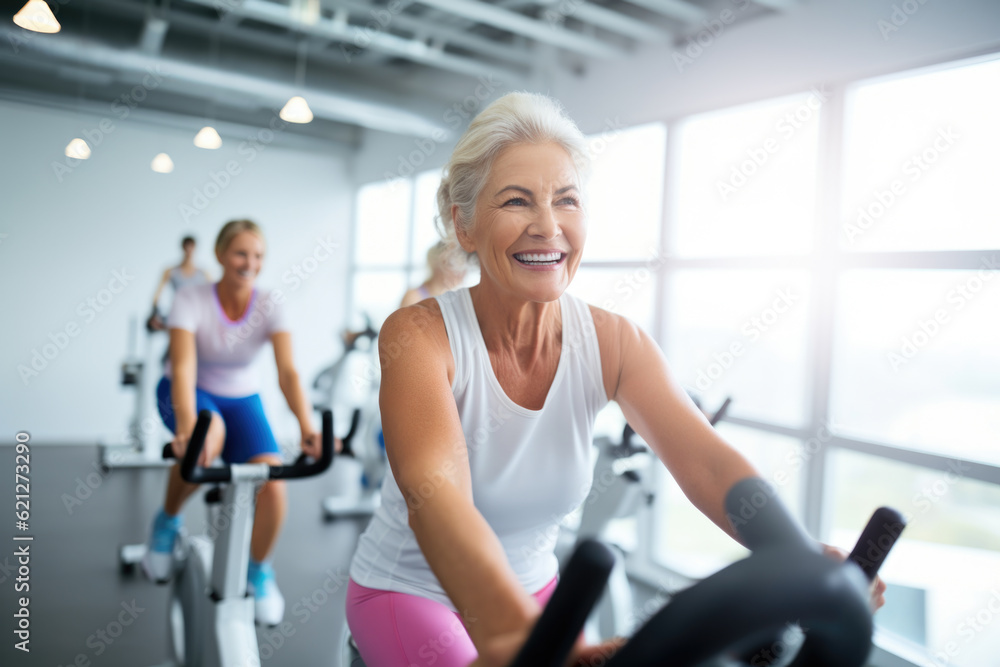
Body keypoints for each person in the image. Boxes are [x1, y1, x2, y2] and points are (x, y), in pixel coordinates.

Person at [345, 93, 887, 666]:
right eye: (516, 201)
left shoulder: (612, 341)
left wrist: (797, 557)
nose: (548, 226)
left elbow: (706, 462)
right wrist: (510, 632)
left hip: (540, 594)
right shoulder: (420, 334)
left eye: (566, 200)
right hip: (411, 593)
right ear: (465, 223)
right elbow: (436, 492)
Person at [142, 219, 323, 626]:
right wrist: (189, 426)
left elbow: (288, 373)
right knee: (208, 442)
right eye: (241, 253)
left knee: (272, 481)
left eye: (258, 256)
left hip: (243, 398)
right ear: (222, 254)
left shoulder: (270, 303)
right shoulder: (190, 298)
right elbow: (185, 367)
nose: (250, 263)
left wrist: (307, 427)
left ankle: (258, 571)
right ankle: (167, 521)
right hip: (184, 390)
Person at [148, 235, 212, 331]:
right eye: (187, 247)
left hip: (198, 318)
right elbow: (157, 297)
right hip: (177, 315)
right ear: (182, 248)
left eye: (191, 247)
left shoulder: (203, 274)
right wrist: (155, 313)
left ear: (195, 248)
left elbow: (213, 296)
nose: (189, 250)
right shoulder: (170, 271)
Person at [399, 240, 467, 308]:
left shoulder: (453, 299)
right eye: (453, 264)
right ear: (439, 264)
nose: (462, 273)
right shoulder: (413, 297)